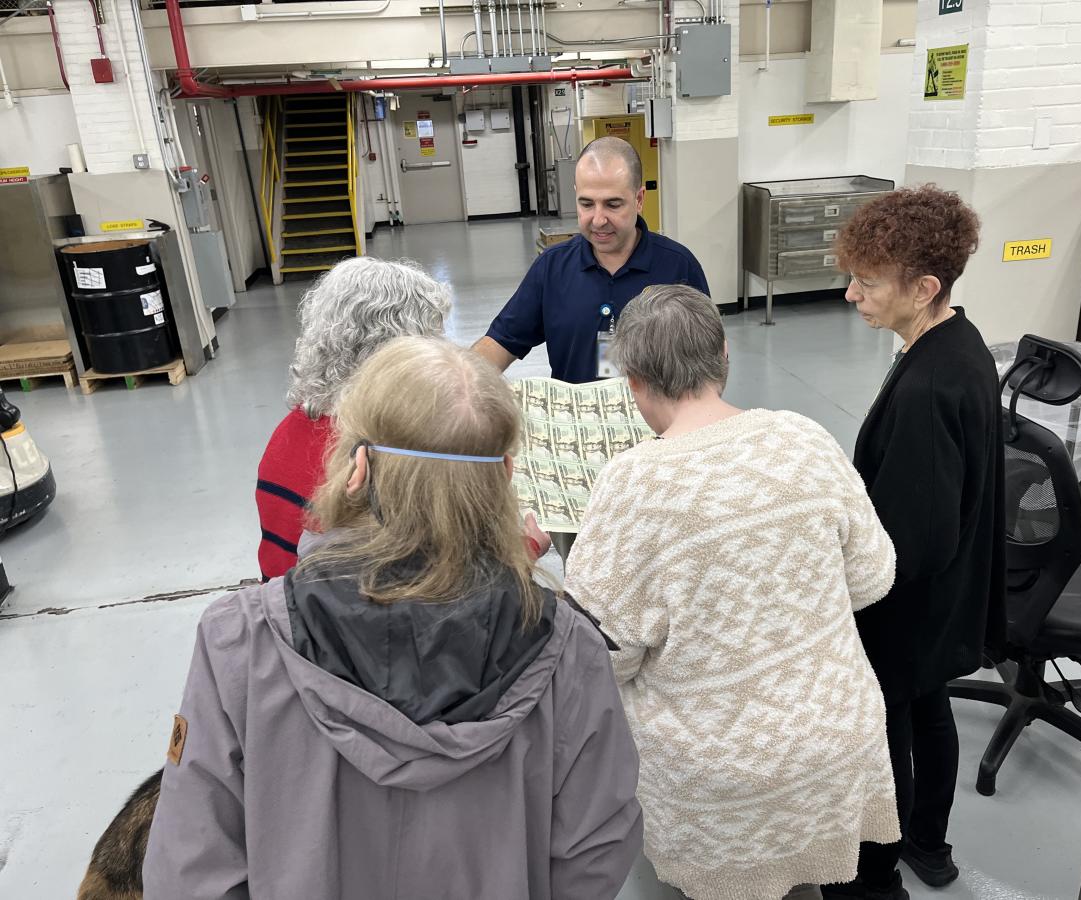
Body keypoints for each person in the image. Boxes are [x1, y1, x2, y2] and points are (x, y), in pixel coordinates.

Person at [146, 337, 643, 899]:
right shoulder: (569, 651)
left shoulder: (239, 640)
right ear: (504, 476)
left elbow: (189, 868)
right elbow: (596, 849)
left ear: (356, 467)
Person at [564, 285, 901, 900]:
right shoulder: (805, 437)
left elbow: (598, 655)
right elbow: (874, 576)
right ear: (724, 355)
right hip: (838, 738)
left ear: (632, 379)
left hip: (720, 771)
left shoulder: (632, 483)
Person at [825, 186, 1006, 900]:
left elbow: (913, 540)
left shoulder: (929, 387)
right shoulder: (959, 342)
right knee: (930, 707)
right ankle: (929, 843)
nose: (850, 294)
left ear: (924, 287)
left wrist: (837, 575)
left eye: (867, 283)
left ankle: (877, 871)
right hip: (951, 594)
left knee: (888, 725)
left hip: (911, 602)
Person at [255, 256, 450, 580]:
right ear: (398, 350)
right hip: (335, 622)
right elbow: (427, 587)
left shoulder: (290, 431)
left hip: (284, 611)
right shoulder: (385, 458)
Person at [472, 136, 709, 383]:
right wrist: (456, 385)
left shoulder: (679, 267)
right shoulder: (552, 268)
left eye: (613, 205)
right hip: (575, 417)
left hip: (656, 422)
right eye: (586, 204)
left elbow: (709, 362)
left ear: (639, 199)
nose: (598, 220)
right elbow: (501, 341)